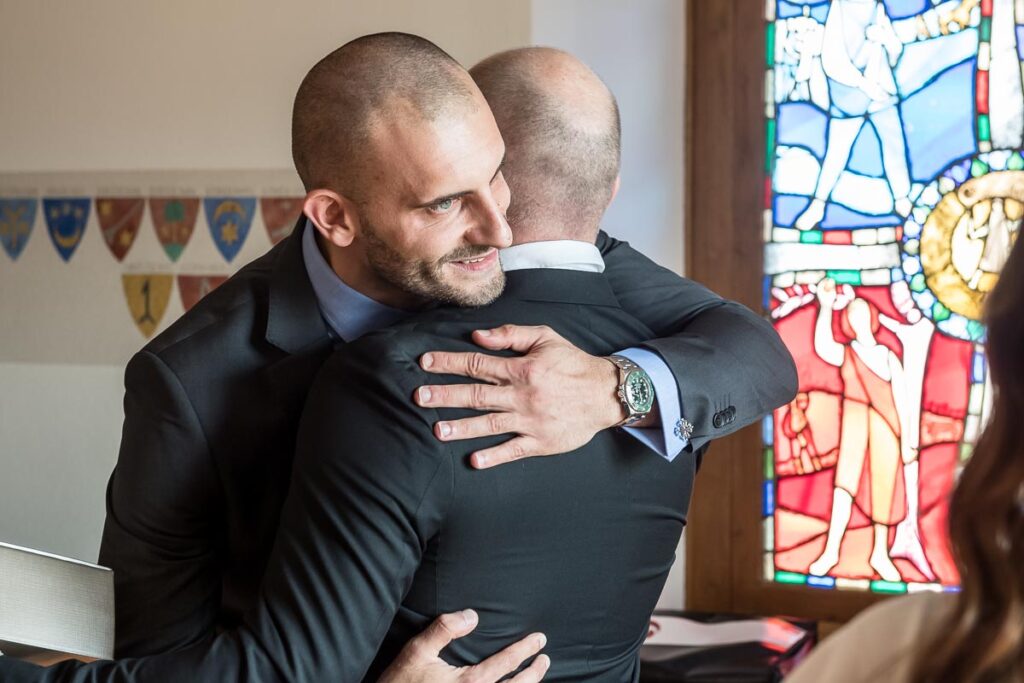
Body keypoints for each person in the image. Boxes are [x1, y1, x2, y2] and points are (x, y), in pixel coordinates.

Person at [0, 34, 795, 681]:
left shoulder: (499, 238)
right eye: (448, 201)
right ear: (336, 217)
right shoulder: (192, 383)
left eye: (498, 179)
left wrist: (611, 387)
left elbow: (752, 352)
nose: (504, 230)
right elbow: (155, 655)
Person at [786, 231, 1024, 682]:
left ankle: (879, 552)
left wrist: (909, 444)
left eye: (860, 316)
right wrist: (823, 309)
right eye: (851, 317)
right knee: (842, 488)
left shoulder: (899, 646)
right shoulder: (901, 646)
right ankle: (833, 548)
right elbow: (823, 349)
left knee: (882, 498)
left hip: (885, 428)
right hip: (857, 424)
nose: (856, 323)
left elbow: (902, 399)